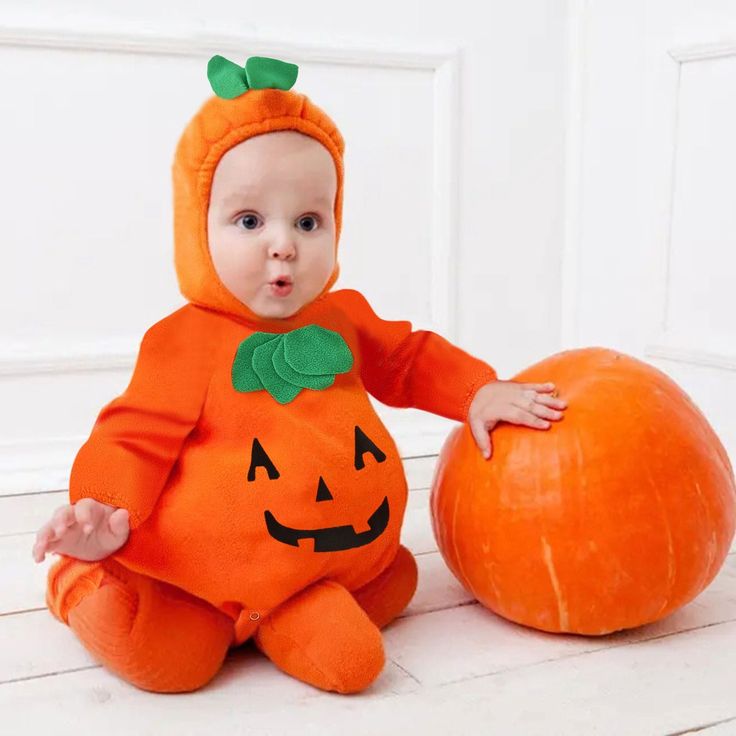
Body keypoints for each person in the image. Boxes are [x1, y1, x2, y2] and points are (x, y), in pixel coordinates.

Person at [32, 55, 567, 695]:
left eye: (308, 221)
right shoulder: (185, 342)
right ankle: (81, 580)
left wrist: (478, 390)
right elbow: (133, 436)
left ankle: (286, 610)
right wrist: (106, 505)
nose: (283, 244)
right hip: (197, 574)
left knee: (390, 587)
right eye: (250, 221)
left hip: (317, 561)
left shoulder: (340, 317)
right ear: (196, 229)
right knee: (172, 664)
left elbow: (408, 357)